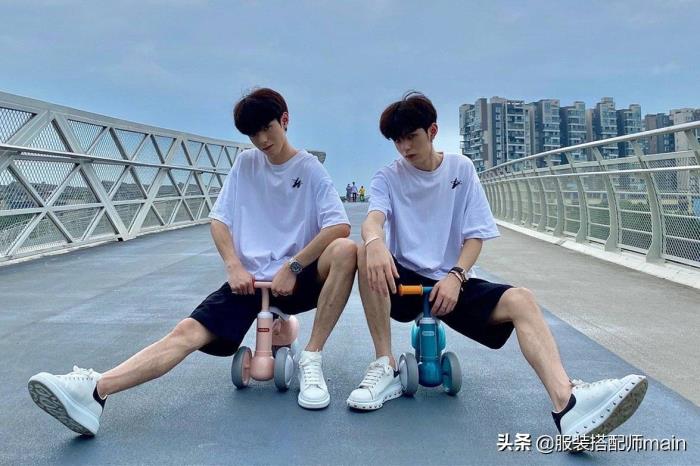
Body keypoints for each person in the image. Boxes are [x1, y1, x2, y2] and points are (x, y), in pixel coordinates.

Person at [28, 87, 357, 436]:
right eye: (252, 134)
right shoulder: (246, 164)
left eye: (267, 128)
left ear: (285, 120)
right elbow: (220, 221)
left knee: (347, 250)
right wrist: (233, 265)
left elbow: (339, 225)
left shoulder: (309, 169)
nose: (261, 140)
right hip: (250, 281)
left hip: (297, 279)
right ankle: (96, 391)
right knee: (186, 332)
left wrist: (293, 266)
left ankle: (311, 358)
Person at [346, 92, 647, 443]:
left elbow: (475, 235)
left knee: (522, 300)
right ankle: (384, 365)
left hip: (451, 281)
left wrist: (456, 276)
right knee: (364, 251)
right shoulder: (387, 177)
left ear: (432, 131)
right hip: (404, 281)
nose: (404, 148)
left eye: (411, 137)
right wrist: (375, 241)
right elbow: (374, 219)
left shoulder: (461, 169)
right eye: (397, 141)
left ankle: (566, 403)